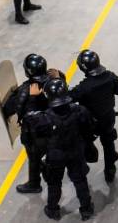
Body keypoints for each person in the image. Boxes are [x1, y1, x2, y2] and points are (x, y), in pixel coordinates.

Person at [41, 78, 95, 221]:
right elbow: (89, 130)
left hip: (55, 156)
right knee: (80, 181)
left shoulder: (45, 118)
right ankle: (86, 209)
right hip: (75, 151)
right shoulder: (80, 111)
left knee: (54, 183)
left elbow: (38, 139)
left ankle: (52, 210)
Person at [70, 50, 118, 184]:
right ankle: (110, 171)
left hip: (91, 124)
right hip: (108, 118)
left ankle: (87, 159)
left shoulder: (84, 87)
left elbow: (69, 97)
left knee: (81, 141)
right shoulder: (110, 76)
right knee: (109, 143)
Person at [3, 53, 53, 195]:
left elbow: (9, 109)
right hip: (52, 128)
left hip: (34, 133)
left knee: (34, 157)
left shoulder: (26, 90)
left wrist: (15, 95)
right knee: (48, 153)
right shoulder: (53, 82)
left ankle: (34, 184)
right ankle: (48, 170)